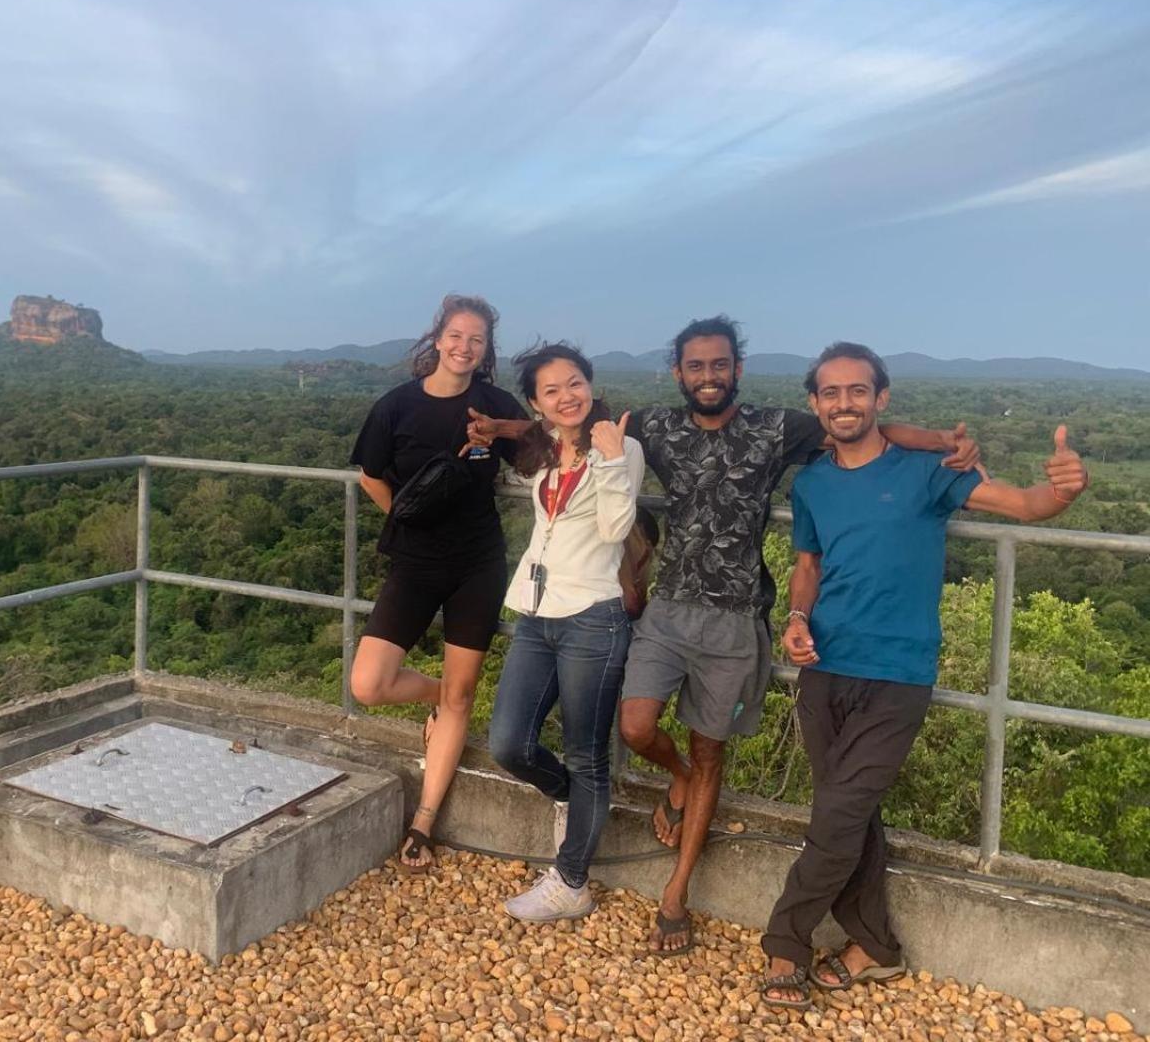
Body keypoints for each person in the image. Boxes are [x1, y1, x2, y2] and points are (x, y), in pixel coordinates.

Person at [468, 315, 981, 954]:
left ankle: (676, 893)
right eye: (695, 366)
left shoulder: (775, 426)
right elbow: (565, 423)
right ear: (678, 373)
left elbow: (862, 427)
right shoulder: (653, 426)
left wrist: (940, 441)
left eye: (718, 365)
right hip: (670, 610)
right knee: (635, 726)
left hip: (737, 615)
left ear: (736, 369)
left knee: (712, 752)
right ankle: (676, 777)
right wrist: (501, 427)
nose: (707, 377)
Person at [760, 342, 1087, 1009]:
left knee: (840, 812)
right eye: (831, 392)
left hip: (899, 673)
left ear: (881, 399)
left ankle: (784, 940)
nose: (844, 402)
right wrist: (795, 618)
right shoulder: (814, 481)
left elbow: (1024, 505)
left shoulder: (930, 470)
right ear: (815, 404)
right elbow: (808, 566)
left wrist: (1061, 489)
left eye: (858, 390)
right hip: (823, 667)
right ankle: (875, 945)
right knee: (849, 815)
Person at [349, 293, 528, 870]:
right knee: (369, 684)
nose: (464, 347)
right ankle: (437, 699)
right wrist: (408, 513)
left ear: (485, 349)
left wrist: (499, 430)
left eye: (476, 339)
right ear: (438, 338)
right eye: (456, 335)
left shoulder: (493, 404)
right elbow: (370, 476)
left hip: (478, 561)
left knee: (463, 693)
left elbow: (543, 441)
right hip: (416, 559)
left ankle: (424, 822)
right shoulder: (397, 406)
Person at [486, 344, 646, 921]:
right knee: (508, 743)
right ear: (537, 402)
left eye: (574, 383)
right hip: (535, 612)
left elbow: (614, 528)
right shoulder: (543, 446)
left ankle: (572, 881)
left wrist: (606, 462)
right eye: (551, 390)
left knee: (588, 756)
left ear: (590, 383)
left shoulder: (620, 446)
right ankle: (567, 799)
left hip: (592, 618)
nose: (566, 396)